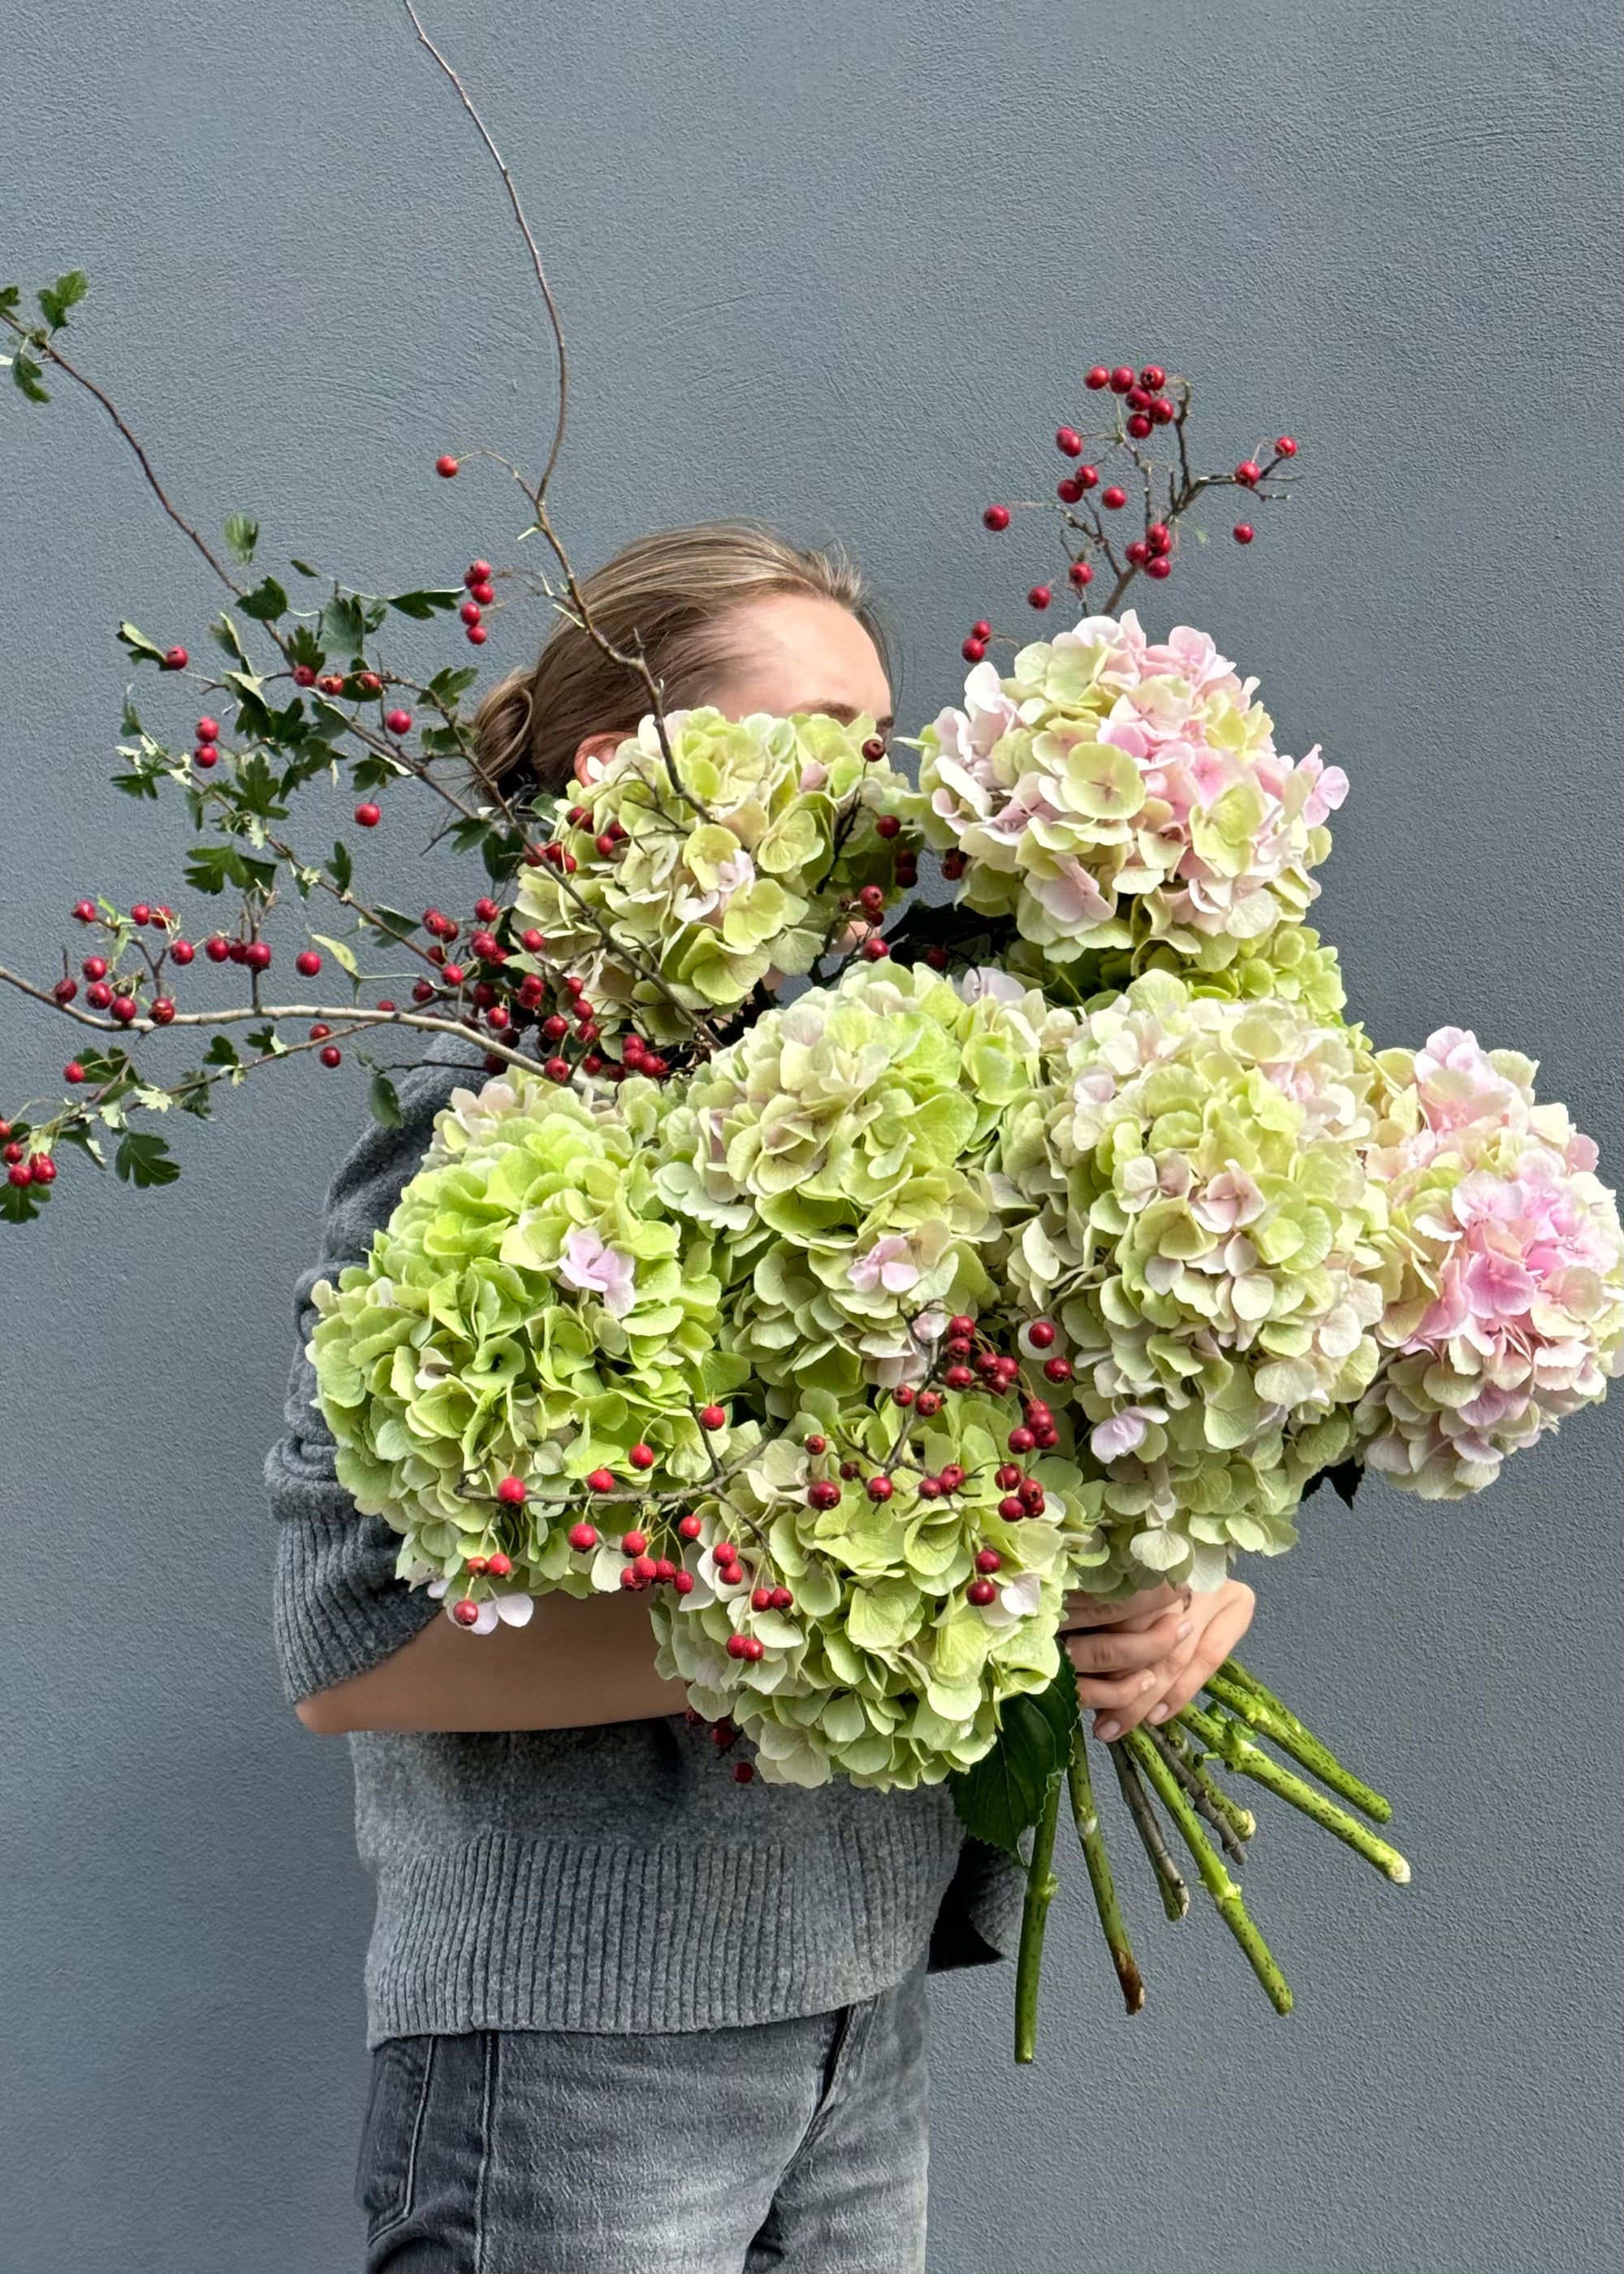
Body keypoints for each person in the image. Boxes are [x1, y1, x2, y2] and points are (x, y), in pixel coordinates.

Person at [266, 521, 1256, 2274]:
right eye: (820, 737)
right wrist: (898, 1612)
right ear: (622, 762)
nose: (875, 801)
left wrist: (1166, 1586)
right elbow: (352, 1654)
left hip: (850, 1997)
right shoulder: (490, 1118)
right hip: (579, 2043)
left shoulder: (835, 1085)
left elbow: (1015, 1457)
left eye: (883, 744)